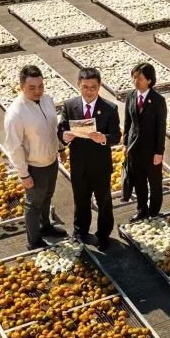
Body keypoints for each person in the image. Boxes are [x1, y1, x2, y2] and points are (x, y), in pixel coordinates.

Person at [4, 65, 66, 250]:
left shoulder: (47, 100)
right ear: (21, 86)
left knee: (47, 196)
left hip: (51, 161)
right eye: (32, 88)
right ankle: (34, 240)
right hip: (34, 166)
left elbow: (53, 128)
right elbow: (14, 147)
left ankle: (45, 226)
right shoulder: (16, 113)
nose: (38, 91)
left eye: (40, 86)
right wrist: (24, 174)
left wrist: (60, 148)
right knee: (33, 204)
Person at [59, 67, 121, 250]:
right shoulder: (70, 106)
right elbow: (61, 129)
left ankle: (103, 235)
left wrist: (104, 138)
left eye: (93, 87)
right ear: (78, 85)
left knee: (104, 202)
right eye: (85, 87)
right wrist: (64, 136)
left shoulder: (110, 108)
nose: (89, 91)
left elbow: (116, 136)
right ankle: (80, 232)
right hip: (79, 165)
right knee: (81, 201)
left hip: (100, 166)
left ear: (99, 86)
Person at [123, 62, 167, 222]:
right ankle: (142, 209)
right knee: (139, 181)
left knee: (154, 182)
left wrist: (159, 152)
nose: (136, 81)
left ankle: (154, 211)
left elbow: (161, 128)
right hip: (134, 148)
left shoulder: (158, 100)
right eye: (134, 77)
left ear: (149, 80)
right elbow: (128, 121)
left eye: (140, 78)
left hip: (151, 149)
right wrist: (125, 143)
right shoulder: (130, 96)